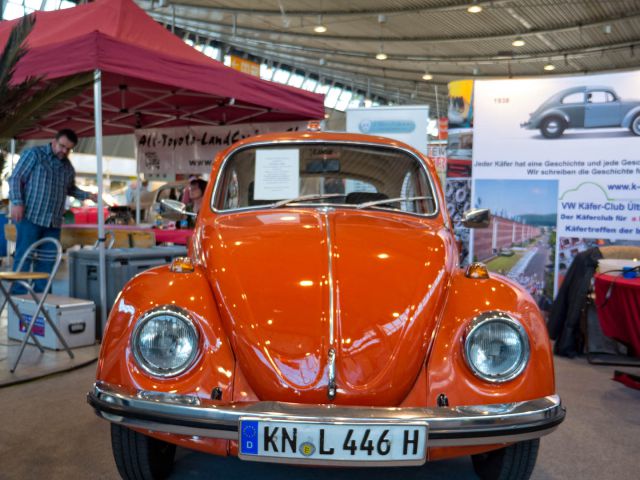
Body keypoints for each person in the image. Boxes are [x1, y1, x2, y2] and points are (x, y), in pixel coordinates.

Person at [9, 128, 97, 292]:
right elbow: (16, 178)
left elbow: (70, 189)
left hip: (53, 222)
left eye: (68, 149)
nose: (64, 151)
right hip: (30, 217)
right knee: (24, 258)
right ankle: (18, 299)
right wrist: (17, 201)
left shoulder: (68, 167)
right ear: (54, 141)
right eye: (62, 146)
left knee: (48, 262)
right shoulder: (35, 155)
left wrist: (88, 195)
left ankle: (42, 299)